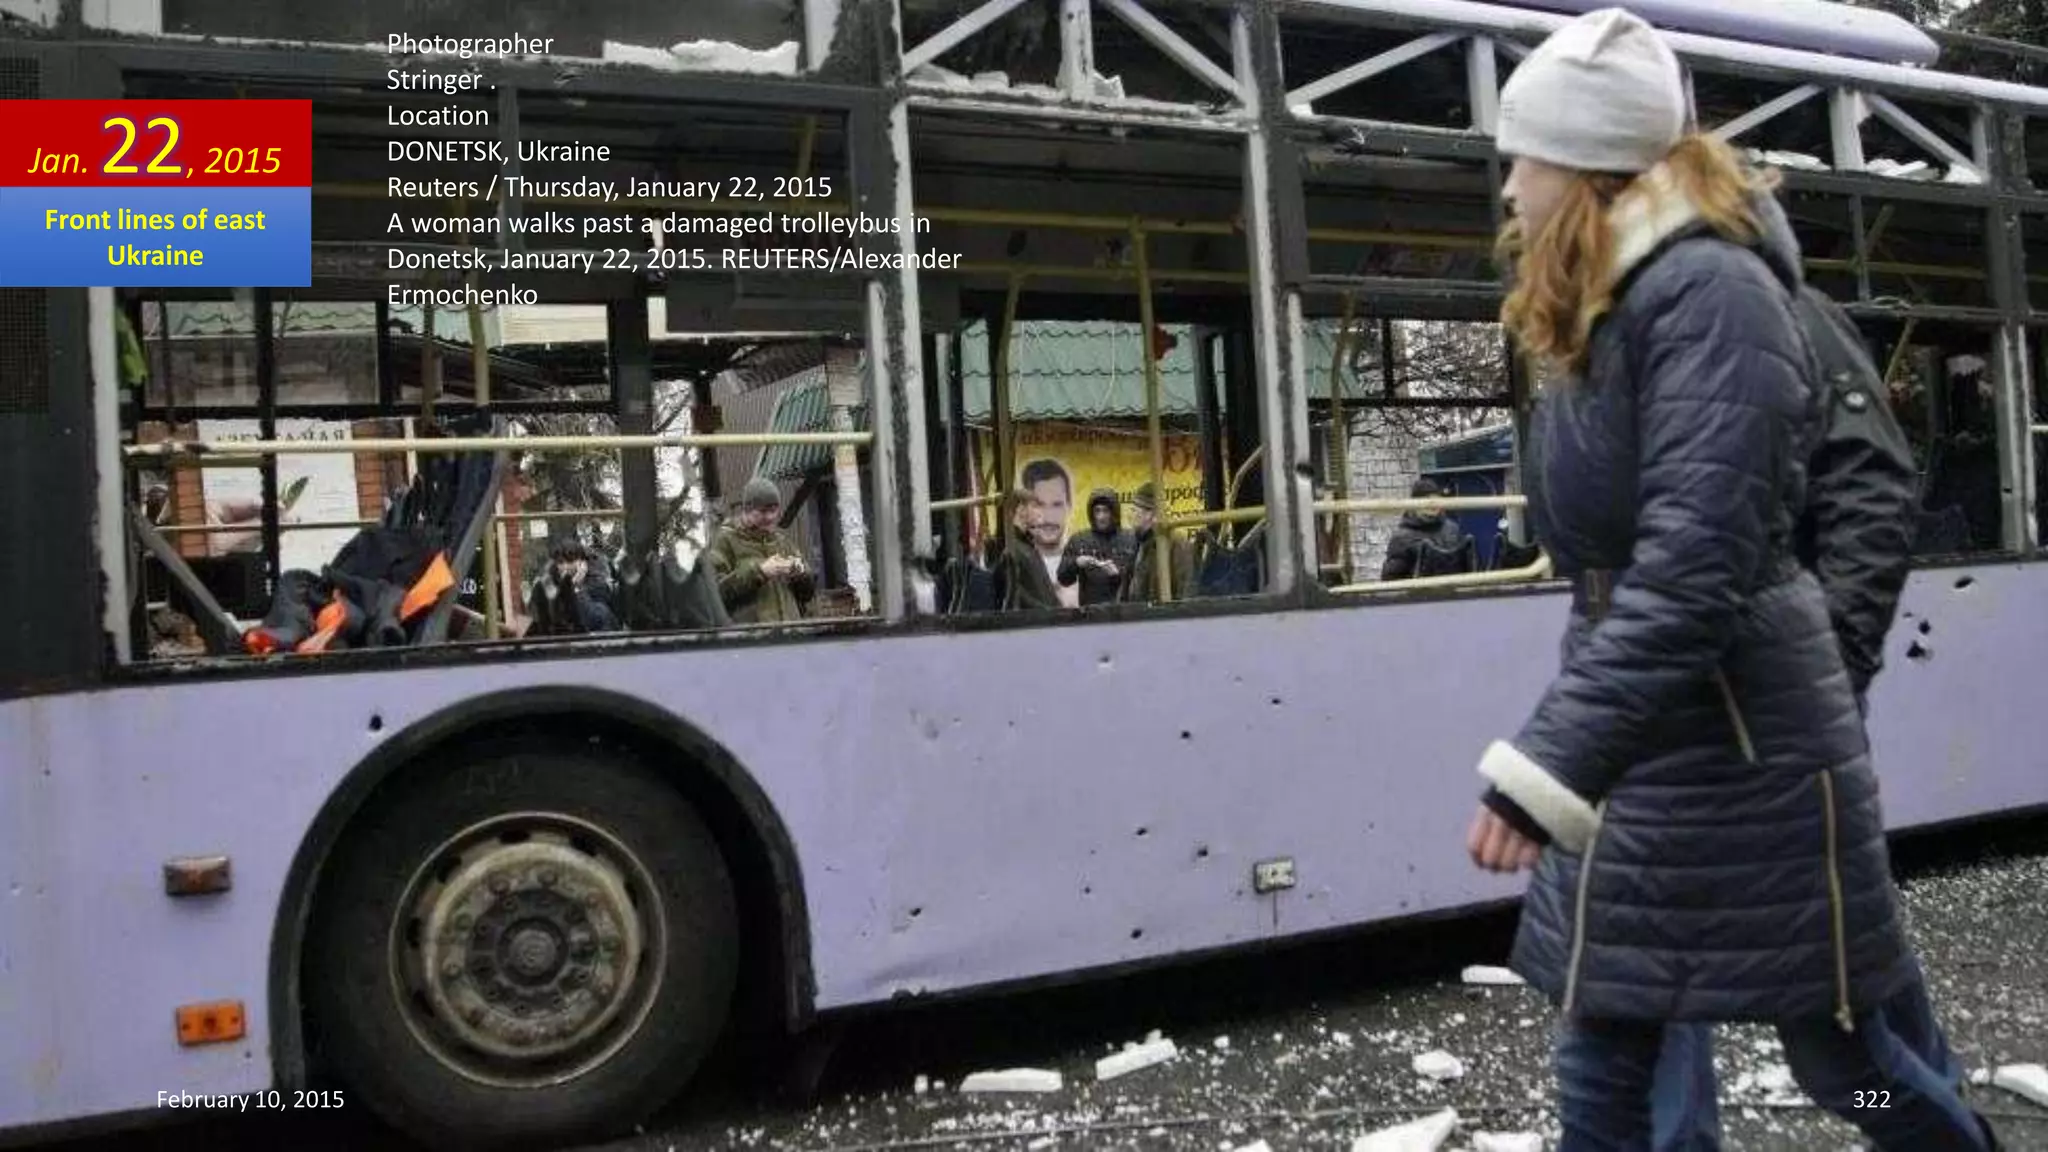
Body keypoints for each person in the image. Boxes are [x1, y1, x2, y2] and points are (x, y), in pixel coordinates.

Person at [1460, 10, 1998, 1150]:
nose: (1505, 186)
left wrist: (1549, 757)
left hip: (1740, 742)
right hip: (1658, 735)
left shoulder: (1712, 294)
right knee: (1603, 1051)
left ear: (1591, 165)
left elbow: (1701, 561)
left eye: (1523, 157)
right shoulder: (1608, 309)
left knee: (1842, 1062)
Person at [1648, 187, 1955, 1152]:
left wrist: (1833, 660)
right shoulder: (1643, 335)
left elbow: (1874, 485)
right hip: (1670, 715)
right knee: (1647, 970)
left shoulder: (1786, 316)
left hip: (1779, 711)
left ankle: (1928, 1117)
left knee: (1836, 1017)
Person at [704, 477, 816, 625]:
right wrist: (760, 572)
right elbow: (715, 595)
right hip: (753, 640)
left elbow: (807, 595)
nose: (770, 517)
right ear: (746, 509)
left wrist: (801, 574)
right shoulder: (725, 541)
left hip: (791, 636)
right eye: (762, 511)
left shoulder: (782, 541)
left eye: (773, 510)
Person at [1379, 478, 1474, 581]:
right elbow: (1390, 578)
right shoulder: (1402, 538)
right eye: (1427, 500)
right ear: (1415, 503)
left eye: (1436, 499)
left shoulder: (1452, 529)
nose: (1433, 504)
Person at [1058, 487, 1138, 607]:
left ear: (1114, 513)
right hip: (1091, 615)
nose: (1101, 517)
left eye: (1106, 511)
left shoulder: (1132, 539)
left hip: (1124, 614)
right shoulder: (1079, 540)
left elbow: (1141, 580)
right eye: (1097, 511)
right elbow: (1063, 579)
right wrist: (1076, 563)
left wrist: (1118, 576)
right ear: (1091, 513)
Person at [1020, 457, 1079, 608]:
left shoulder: (1086, 562)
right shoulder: (1014, 565)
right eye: (1039, 504)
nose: (1048, 516)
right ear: (1024, 508)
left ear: (1070, 506)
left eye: (1057, 505)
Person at [991, 486, 1062, 611]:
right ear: (1020, 509)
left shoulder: (1027, 545)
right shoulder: (1009, 546)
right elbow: (1016, 593)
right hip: (1034, 625)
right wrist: (1047, 612)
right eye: (1035, 506)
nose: (1041, 512)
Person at [1122, 481, 1193, 603]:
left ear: (1151, 514)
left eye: (1134, 511)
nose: (1130, 517)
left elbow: (1186, 589)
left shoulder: (1176, 544)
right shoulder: (1137, 542)